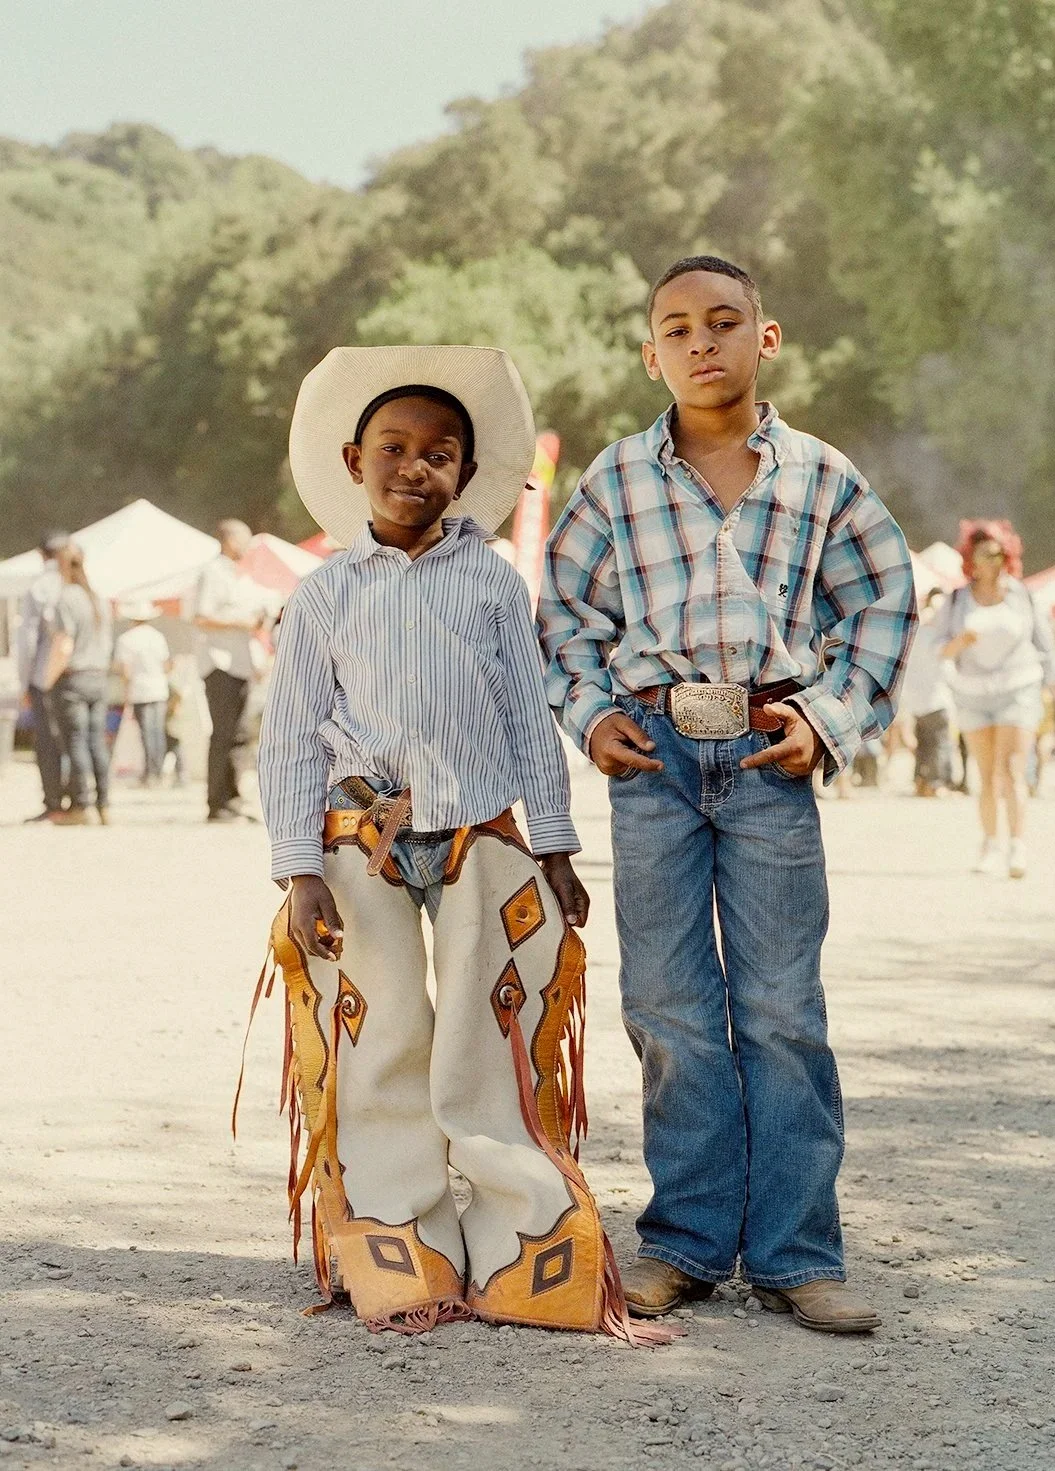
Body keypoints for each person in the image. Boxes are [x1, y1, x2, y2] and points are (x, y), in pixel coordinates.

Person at [249, 344, 666, 1345]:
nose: (415, 466)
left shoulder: (489, 582)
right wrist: (299, 869)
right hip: (363, 842)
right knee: (384, 1032)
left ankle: (516, 1247)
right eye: (393, 447)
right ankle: (399, 1241)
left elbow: (528, 719)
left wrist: (555, 847)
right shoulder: (322, 595)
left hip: (481, 834)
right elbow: (291, 737)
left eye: (441, 452)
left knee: (491, 1034)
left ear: (467, 475)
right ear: (353, 462)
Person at [539, 255, 916, 1333]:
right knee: (666, 1004)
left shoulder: (821, 476)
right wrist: (593, 714)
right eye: (677, 328)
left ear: (767, 337)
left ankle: (800, 1253)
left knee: (782, 1009)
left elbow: (884, 600)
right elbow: (565, 611)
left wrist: (828, 719)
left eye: (723, 321)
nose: (701, 342)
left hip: (766, 752)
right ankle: (688, 1241)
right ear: (648, 352)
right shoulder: (615, 479)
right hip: (654, 755)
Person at [931, 521, 1055, 878]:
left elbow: (1047, 649)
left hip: (1018, 688)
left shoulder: (1021, 595)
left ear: (1007, 555)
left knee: (1012, 772)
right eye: (982, 553)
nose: (991, 560)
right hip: (973, 692)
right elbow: (938, 648)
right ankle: (991, 844)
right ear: (970, 558)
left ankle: (1017, 845)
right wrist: (961, 642)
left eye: (996, 552)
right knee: (986, 775)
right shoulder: (958, 599)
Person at [193, 519, 270, 822]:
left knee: (239, 734)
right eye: (245, 540)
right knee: (224, 734)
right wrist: (243, 622)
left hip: (239, 662)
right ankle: (217, 801)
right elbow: (202, 616)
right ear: (228, 541)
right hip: (220, 662)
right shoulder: (212, 573)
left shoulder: (237, 575)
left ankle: (233, 798)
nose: (249, 547)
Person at [45, 543, 114, 825]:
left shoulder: (66, 598)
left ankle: (81, 805)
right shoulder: (98, 599)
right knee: (96, 741)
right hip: (98, 676)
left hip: (74, 678)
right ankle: (104, 803)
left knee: (75, 742)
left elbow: (64, 644)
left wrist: (47, 680)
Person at [16, 531, 69, 821]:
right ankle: (80, 800)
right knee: (75, 739)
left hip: (45, 675)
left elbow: (28, 641)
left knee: (48, 742)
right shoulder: (80, 585)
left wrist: (25, 680)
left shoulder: (40, 588)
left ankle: (53, 802)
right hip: (79, 674)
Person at [902, 588, 955, 796]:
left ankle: (920, 783)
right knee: (939, 743)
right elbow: (948, 669)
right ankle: (936, 784)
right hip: (937, 698)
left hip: (917, 700)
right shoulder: (937, 637)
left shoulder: (915, 636)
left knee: (924, 744)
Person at [114, 601, 172, 783]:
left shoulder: (126, 639)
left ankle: (150, 772)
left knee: (146, 732)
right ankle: (157, 770)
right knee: (157, 732)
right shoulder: (158, 637)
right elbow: (166, 665)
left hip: (139, 690)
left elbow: (125, 670)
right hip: (159, 688)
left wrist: (126, 693)